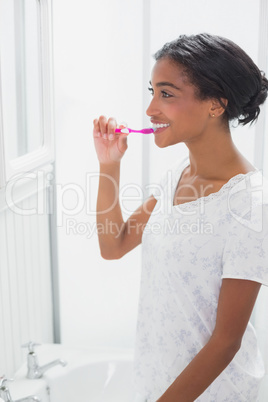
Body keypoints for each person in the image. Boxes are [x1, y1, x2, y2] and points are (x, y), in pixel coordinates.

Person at [93, 33, 268, 401]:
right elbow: (114, 244)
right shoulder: (176, 176)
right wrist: (109, 165)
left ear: (216, 105)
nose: (151, 109)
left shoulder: (250, 204)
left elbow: (226, 342)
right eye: (152, 92)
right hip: (156, 382)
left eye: (167, 94)